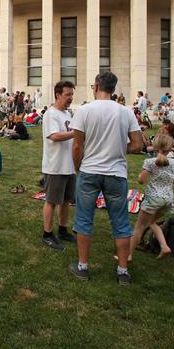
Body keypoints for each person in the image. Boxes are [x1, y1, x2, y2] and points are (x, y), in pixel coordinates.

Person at [69, 71, 142, 286]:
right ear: (113, 89)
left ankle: (82, 266)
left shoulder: (84, 110)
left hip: (90, 170)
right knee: (120, 222)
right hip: (116, 172)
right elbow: (138, 144)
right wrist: (118, 149)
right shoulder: (125, 112)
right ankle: (122, 271)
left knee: (84, 219)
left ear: (96, 86)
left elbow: (76, 145)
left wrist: (77, 167)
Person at [128, 133, 174, 261]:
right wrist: (167, 178)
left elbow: (141, 180)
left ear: (155, 146)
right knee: (151, 223)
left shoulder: (150, 162)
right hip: (168, 200)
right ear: (170, 148)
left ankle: (128, 254)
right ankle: (164, 246)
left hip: (153, 199)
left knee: (139, 226)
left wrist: (140, 177)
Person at [41, 81, 76, 250]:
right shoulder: (51, 114)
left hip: (69, 165)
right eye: (67, 94)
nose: (70, 98)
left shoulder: (68, 114)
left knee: (66, 201)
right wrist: (76, 133)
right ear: (57, 94)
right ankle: (47, 234)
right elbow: (54, 136)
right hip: (55, 166)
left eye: (71, 94)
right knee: (51, 201)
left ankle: (63, 230)